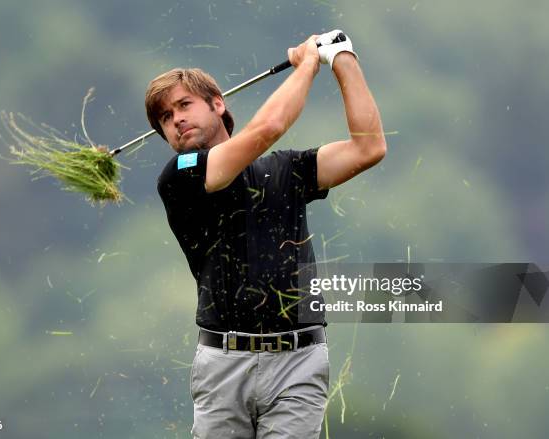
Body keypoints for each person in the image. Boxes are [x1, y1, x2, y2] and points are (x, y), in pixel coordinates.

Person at [145, 30, 386, 439]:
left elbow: (369, 148)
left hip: (299, 360)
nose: (177, 120)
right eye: (165, 118)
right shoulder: (181, 175)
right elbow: (268, 127)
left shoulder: (286, 170)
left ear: (218, 104)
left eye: (184, 105)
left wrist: (342, 56)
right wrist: (309, 63)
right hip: (223, 364)